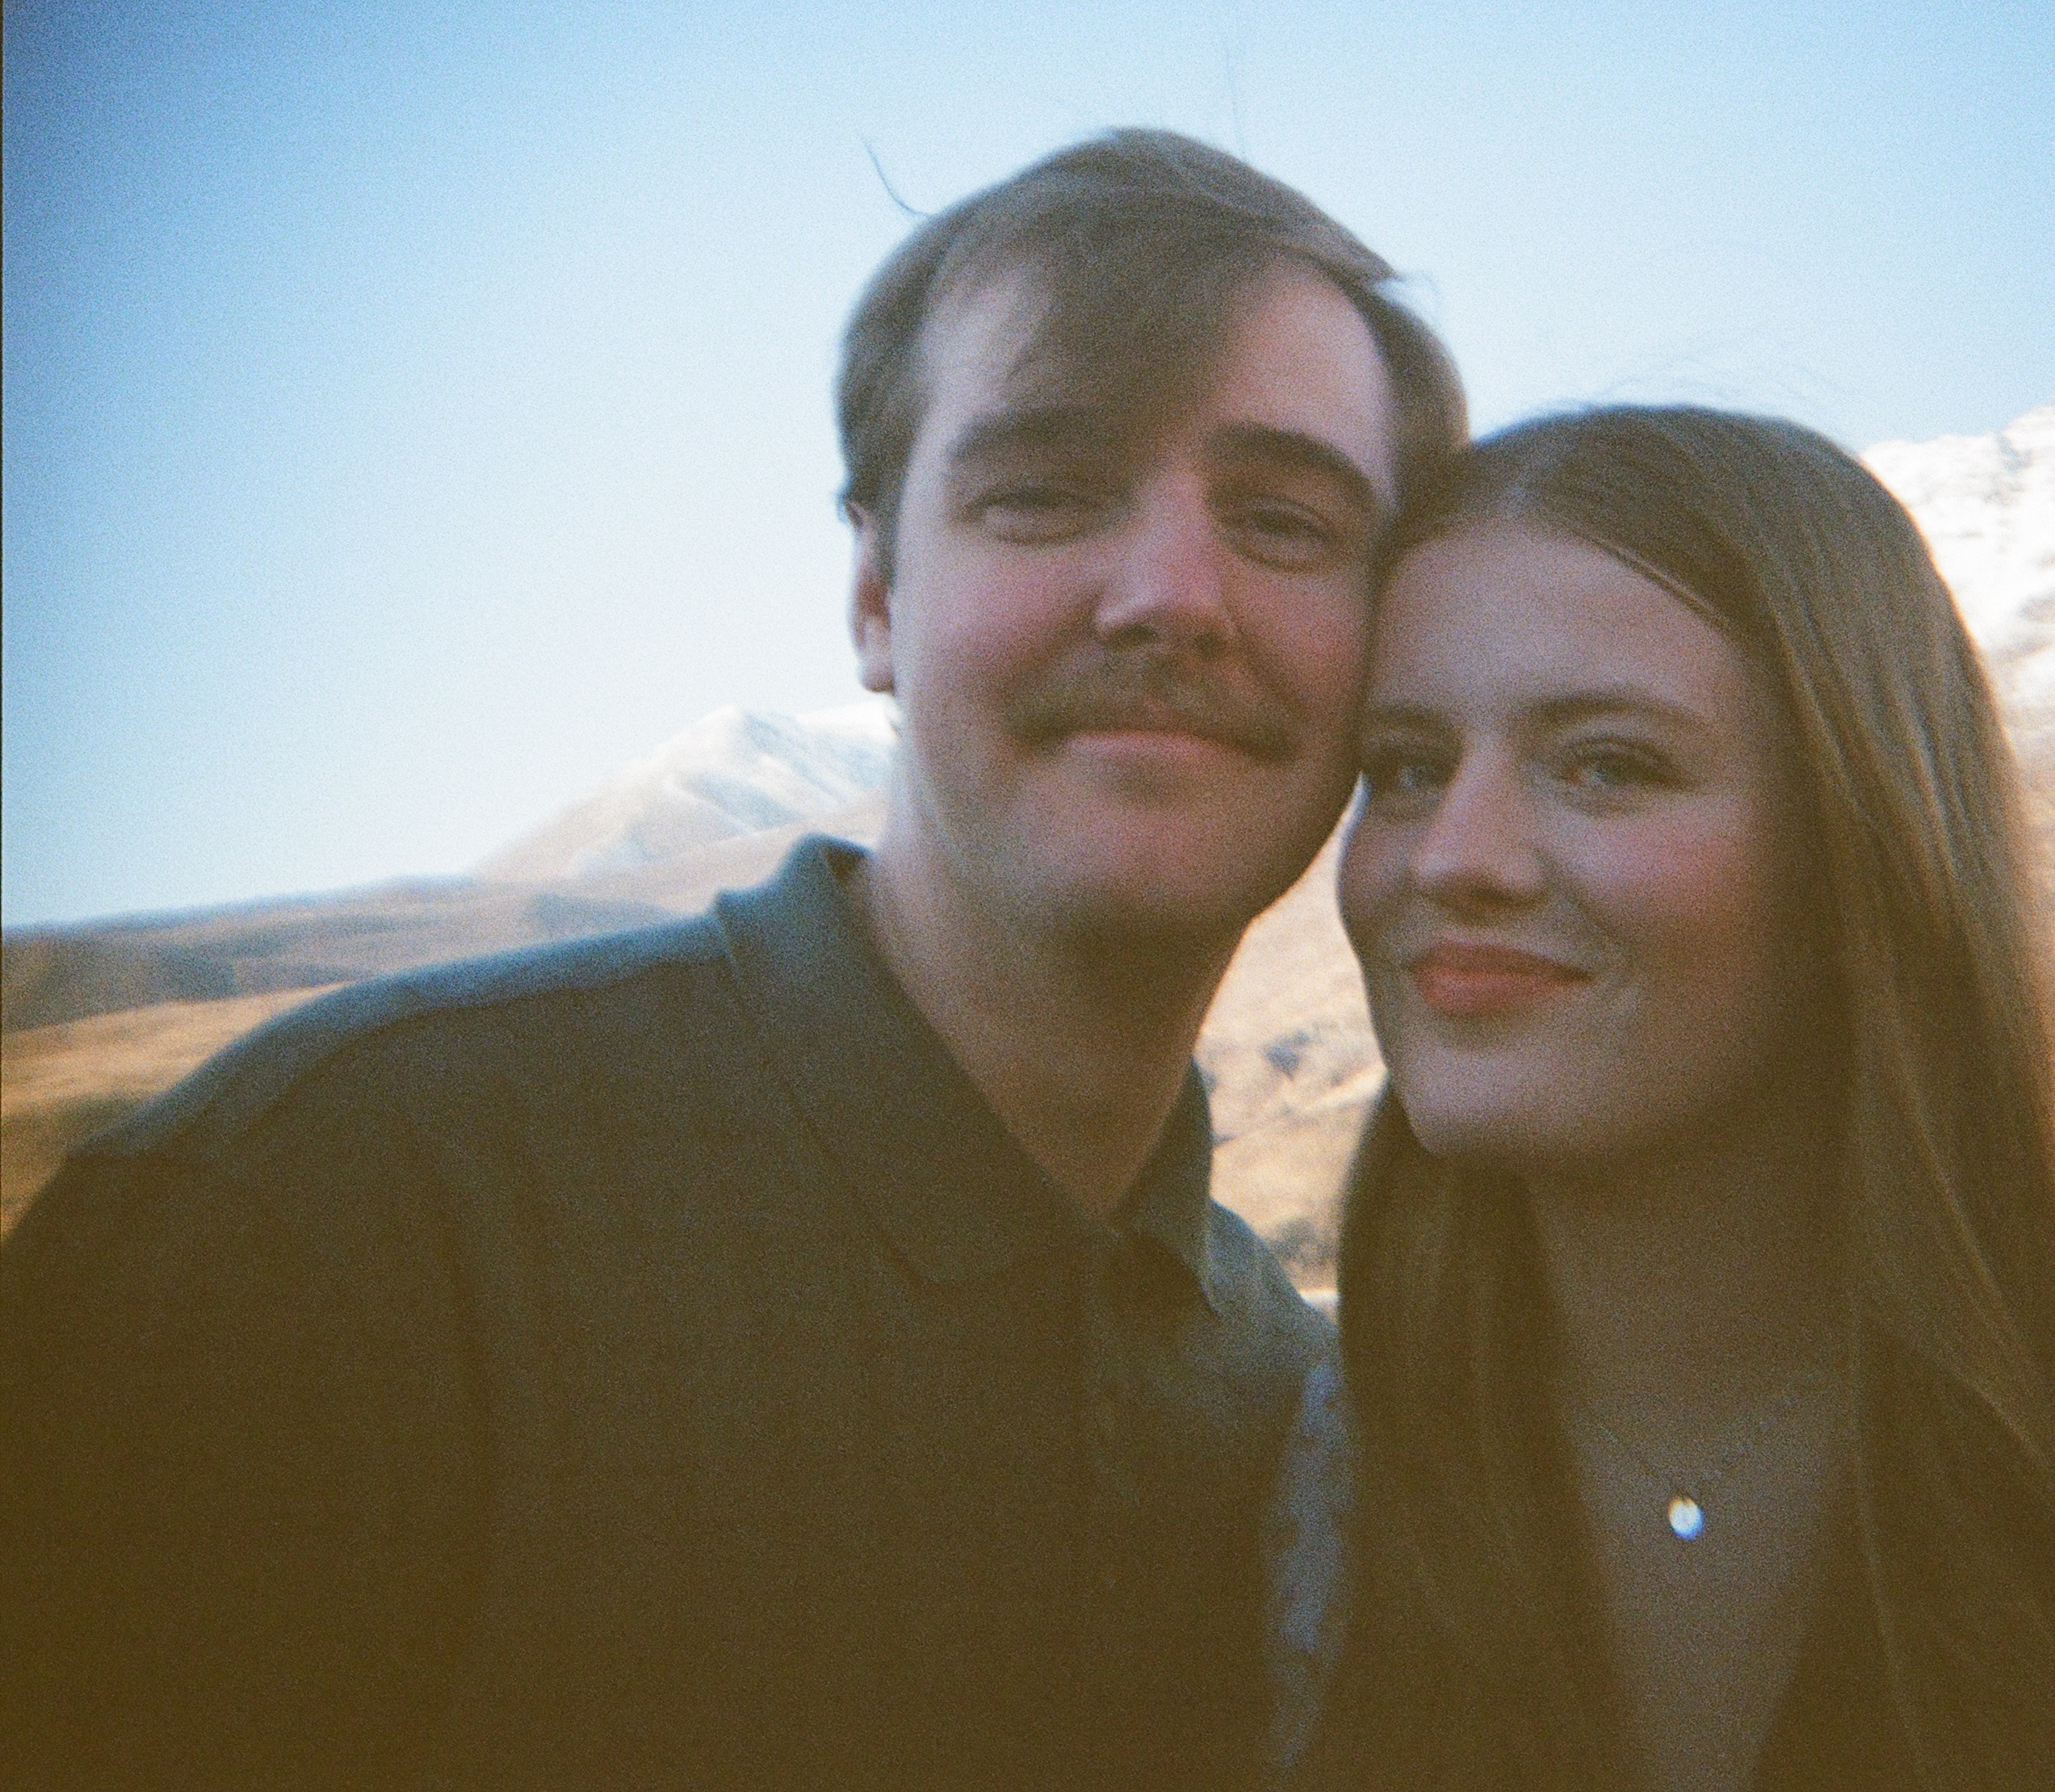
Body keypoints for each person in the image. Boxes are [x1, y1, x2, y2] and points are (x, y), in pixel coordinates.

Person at [0, 129, 1464, 1790]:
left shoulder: (1297, 1415)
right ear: (873, 596)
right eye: (1042, 492)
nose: (1170, 595)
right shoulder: (334, 1226)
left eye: (1283, 518)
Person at [1267, 406, 2055, 1791]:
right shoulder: (1349, 1460)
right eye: (1405, 768)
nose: (1448, 857)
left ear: (1859, 849)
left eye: (1608, 764)